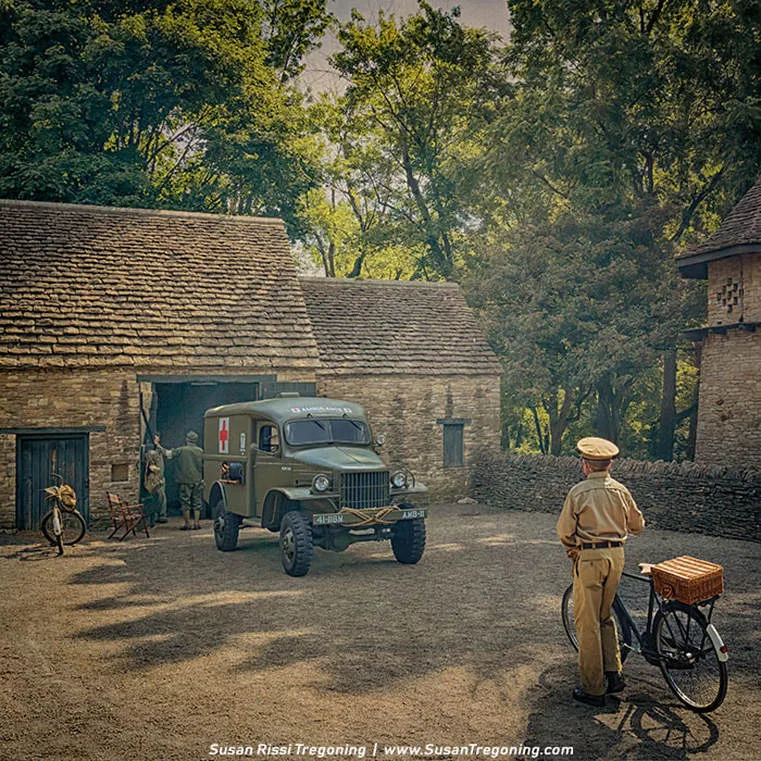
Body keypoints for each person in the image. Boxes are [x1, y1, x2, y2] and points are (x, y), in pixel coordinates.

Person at [556, 436, 645, 707]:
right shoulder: (621, 491)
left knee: (588, 622)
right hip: (616, 556)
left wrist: (573, 549)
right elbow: (638, 525)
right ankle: (614, 674)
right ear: (609, 466)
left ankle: (593, 689)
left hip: (591, 557)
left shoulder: (579, 493)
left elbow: (564, 531)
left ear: (585, 465)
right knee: (606, 616)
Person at [154, 430, 204, 530]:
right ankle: (196, 523)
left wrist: (158, 445)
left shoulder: (181, 450)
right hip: (197, 479)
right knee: (197, 502)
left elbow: (167, 454)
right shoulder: (200, 451)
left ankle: (187, 524)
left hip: (184, 480)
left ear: (186, 439)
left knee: (185, 503)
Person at [143, 447, 167, 526]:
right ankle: (156, 517)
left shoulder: (156, 455)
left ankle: (159, 515)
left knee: (159, 498)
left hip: (156, 482)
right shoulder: (153, 457)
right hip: (154, 483)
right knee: (156, 499)